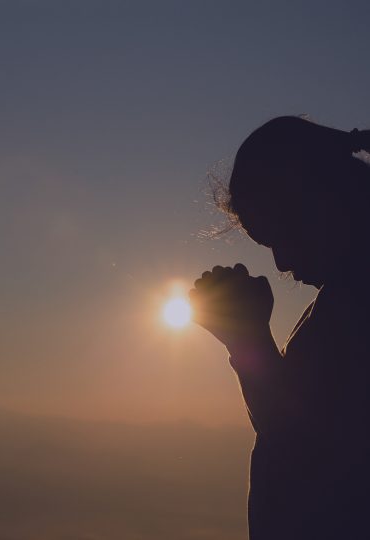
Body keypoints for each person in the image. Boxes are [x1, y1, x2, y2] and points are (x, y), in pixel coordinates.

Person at [189, 116, 370, 540]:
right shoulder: (344, 296)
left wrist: (246, 336)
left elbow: (308, 449)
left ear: (324, 200)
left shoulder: (357, 304)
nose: (282, 263)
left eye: (282, 235)